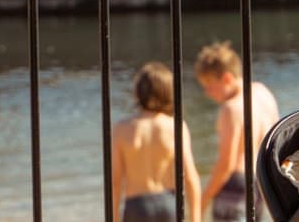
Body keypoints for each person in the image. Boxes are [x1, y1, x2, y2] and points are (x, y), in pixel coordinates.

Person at [194, 41, 282, 219]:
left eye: (209, 85)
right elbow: (276, 136)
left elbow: (226, 163)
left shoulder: (231, 108)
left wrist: (204, 198)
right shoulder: (262, 92)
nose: (208, 93)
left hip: (237, 185)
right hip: (262, 179)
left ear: (227, 78)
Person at [111, 62, 202, 222]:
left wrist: (113, 217)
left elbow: (115, 180)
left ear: (137, 93)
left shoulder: (122, 128)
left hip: (136, 205)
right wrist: (196, 218)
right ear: (169, 91)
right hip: (167, 202)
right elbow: (190, 177)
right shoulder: (175, 126)